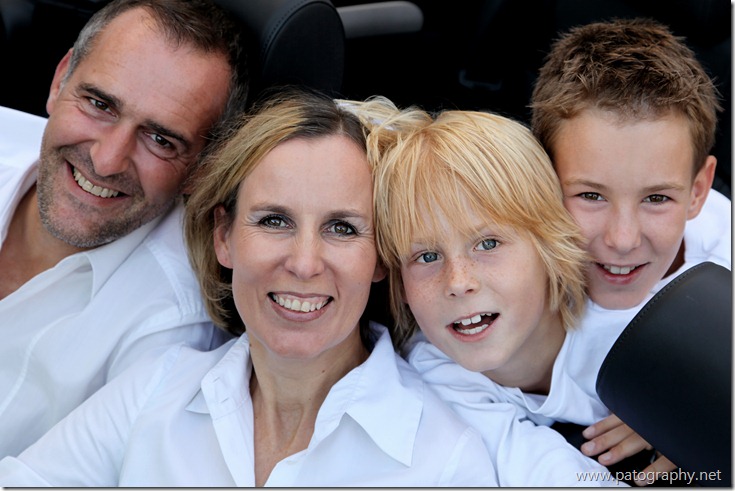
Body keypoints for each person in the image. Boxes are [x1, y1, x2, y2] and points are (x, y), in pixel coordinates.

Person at [0, 88, 499, 487]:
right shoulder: (154, 388)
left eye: (342, 228)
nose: (304, 263)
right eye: (274, 221)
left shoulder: (447, 461)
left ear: (381, 257)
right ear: (224, 236)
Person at [0, 0, 249, 459]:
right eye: (99, 104)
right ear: (60, 80)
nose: (106, 160)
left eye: (160, 139)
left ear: (201, 168)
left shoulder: (169, 330)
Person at [369, 106, 623, 487]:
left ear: (550, 244)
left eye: (487, 244)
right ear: (401, 284)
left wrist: (685, 424)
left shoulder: (628, 318)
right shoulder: (437, 371)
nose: (458, 282)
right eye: (427, 257)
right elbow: (542, 470)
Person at [529, 18, 731, 484]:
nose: (622, 239)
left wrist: (708, 401)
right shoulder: (514, 299)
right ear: (540, 179)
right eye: (590, 196)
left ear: (698, 190)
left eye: (657, 198)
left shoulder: (725, 239)